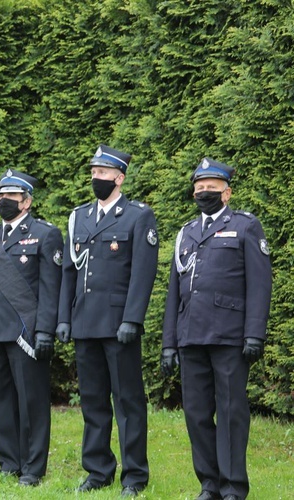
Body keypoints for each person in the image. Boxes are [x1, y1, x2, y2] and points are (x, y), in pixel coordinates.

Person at [161, 158, 271, 500]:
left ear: (227, 193)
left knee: (230, 413)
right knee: (195, 414)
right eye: (199, 187)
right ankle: (209, 484)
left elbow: (260, 285)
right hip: (191, 336)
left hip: (228, 336)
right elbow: (174, 292)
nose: (204, 192)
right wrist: (169, 343)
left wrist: (254, 333)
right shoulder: (186, 233)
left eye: (211, 188)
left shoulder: (246, 227)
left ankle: (232, 487)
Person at [57, 145, 158, 496]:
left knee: (128, 402)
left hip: (119, 326)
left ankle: (134, 476)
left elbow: (143, 275)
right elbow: (69, 272)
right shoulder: (80, 217)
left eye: (102, 173)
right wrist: (64, 317)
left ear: (120, 177)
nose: (96, 178)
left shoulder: (137, 216)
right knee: (93, 401)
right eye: (93, 173)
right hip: (84, 323)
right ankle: (98, 470)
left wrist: (133, 319)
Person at [0, 169, 63, 487]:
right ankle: (8, 461)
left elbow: (51, 288)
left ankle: (33, 466)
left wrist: (44, 330)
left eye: (11, 197)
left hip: (25, 332)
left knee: (32, 399)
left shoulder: (44, 234)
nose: (4, 201)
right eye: (0, 196)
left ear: (26, 202)